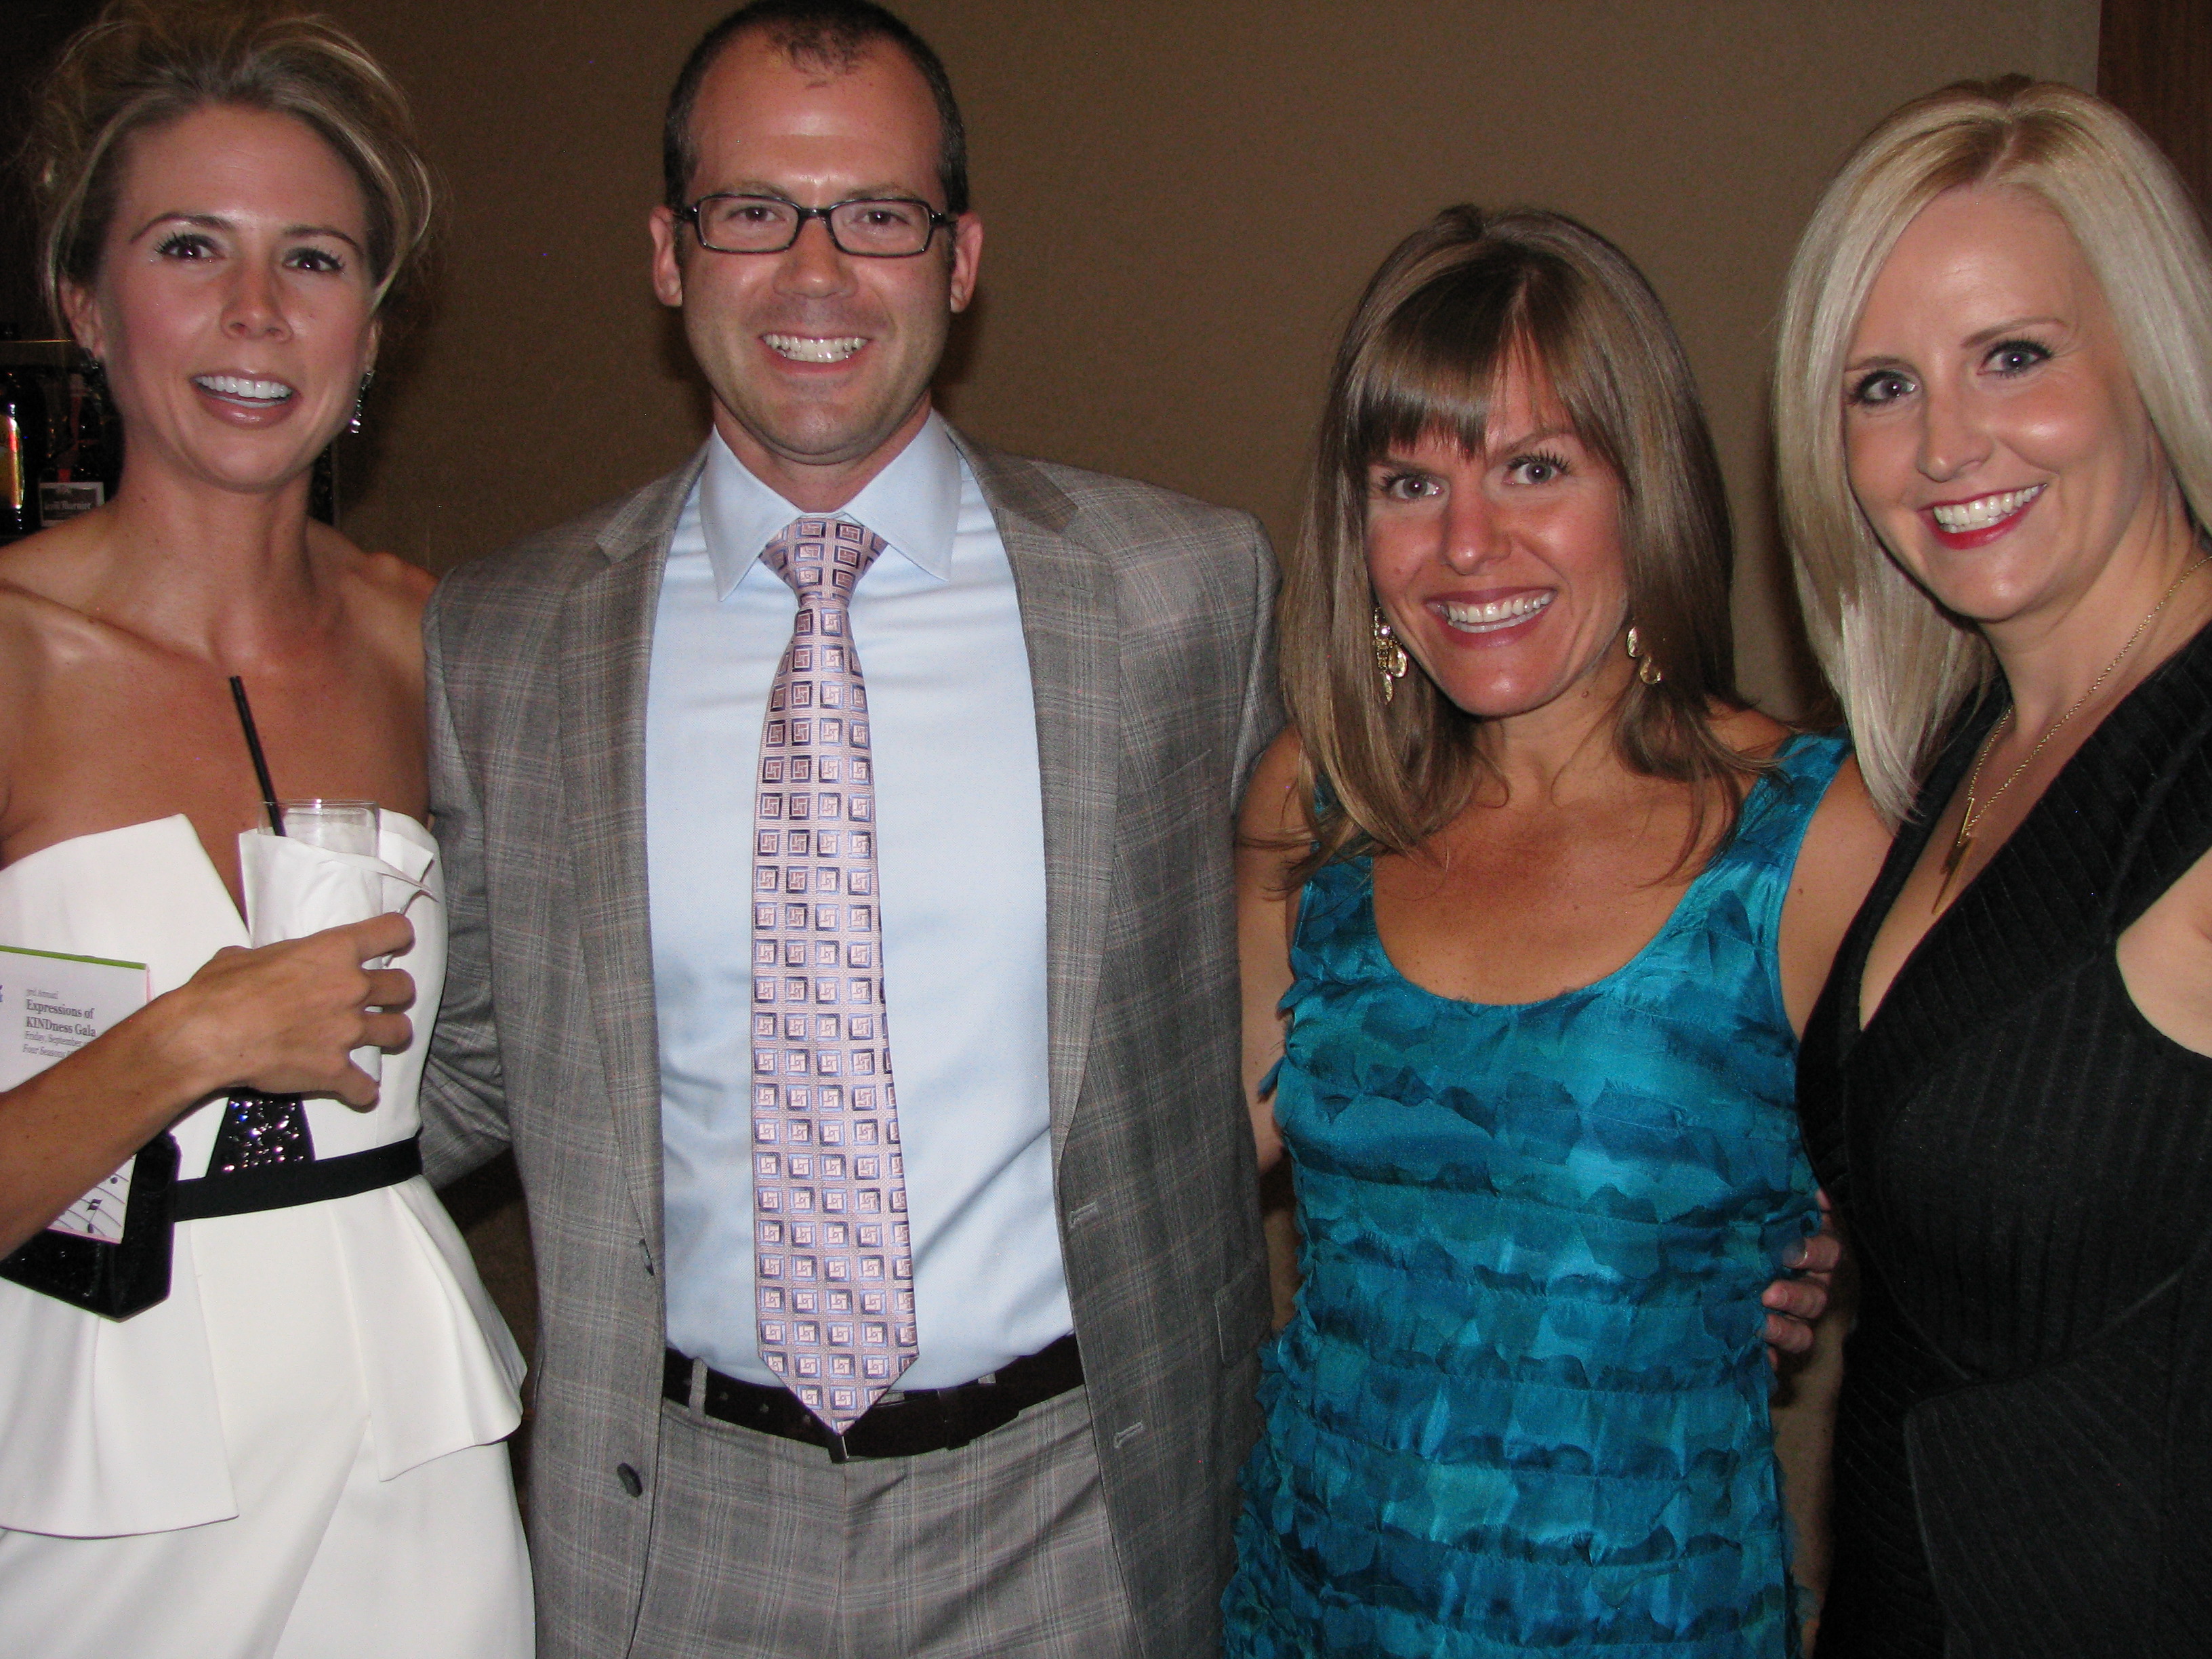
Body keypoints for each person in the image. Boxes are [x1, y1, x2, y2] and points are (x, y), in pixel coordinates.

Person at [417, 3, 1278, 1654]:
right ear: (670, 255)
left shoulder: (1183, 593)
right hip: (678, 1528)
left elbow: (1350, 975)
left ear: (961, 259)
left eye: (878, 214)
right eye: (755, 211)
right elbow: (460, 1071)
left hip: (1080, 1512)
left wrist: (1653, 1188)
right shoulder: (507, 644)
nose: (816, 274)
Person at [1222, 206, 1889, 1657]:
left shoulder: (1804, 835)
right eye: (1412, 480)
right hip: (1312, 1600)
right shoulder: (1315, 806)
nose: (1469, 546)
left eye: (1535, 468)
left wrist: (1828, 1224)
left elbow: (2012, 1211)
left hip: (1646, 1614)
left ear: (1643, 492)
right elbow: (1170, 1168)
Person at [0, 3, 532, 1656]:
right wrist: (195, 1035)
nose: (253, 312)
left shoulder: (437, 646)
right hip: (95, 1490)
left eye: (312, 260)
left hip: (413, 1483)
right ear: (85, 302)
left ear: (371, 331)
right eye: (187, 247)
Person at [1776, 76, 2212, 1656]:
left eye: (2013, 357)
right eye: (1880, 385)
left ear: (2152, 356)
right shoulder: (1967, 741)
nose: (1944, 445)